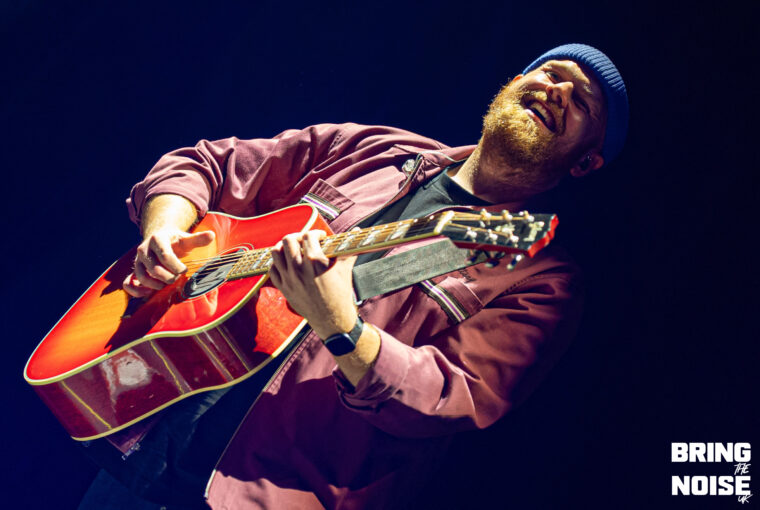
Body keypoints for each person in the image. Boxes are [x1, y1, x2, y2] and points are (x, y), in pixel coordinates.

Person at [79, 43, 628, 509]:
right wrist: (165, 231)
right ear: (513, 84)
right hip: (143, 439)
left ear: (585, 162)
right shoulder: (374, 149)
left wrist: (341, 325)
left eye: (582, 101)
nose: (558, 90)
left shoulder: (542, 279)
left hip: (267, 492)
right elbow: (207, 164)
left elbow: (451, 394)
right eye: (551, 72)